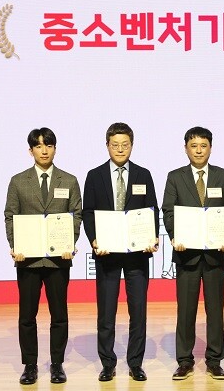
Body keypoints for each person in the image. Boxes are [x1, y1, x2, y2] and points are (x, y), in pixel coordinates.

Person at [82, 123, 159, 382]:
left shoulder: (143, 174)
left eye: (125, 145)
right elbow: (88, 212)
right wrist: (94, 239)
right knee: (106, 312)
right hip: (107, 253)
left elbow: (151, 209)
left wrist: (151, 237)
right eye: (115, 145)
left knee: (138, 311)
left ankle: (135, 363)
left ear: (132, 146)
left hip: (137, 254)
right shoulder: (95, 175)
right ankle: (108, 363)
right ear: (107, 146)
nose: (120, 149)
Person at [4, 128, 81, 385]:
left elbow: (76, 215)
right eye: (38, 146)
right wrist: (15, 245)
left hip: (59, 260)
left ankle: (57, 364)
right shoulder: (18, 181)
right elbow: (10, 216)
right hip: (28, 260)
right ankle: (30, 365)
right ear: (31, 151)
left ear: (55, 148)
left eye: (48, 145)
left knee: (59, 315)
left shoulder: (69, 180)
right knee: (27, 316)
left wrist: (70, 243)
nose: (44, 150)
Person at [161, 126, 224, 381]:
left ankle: (214, 360)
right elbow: (168, 211)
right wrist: (176, 237)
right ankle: (184, 361)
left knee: (215, 311)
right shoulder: (175, 177)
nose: (199, 151)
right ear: (186, 149)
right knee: (186, 311)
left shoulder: (223, 176)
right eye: (194, 146)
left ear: (210, 148)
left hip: (216, 255)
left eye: (203, 146)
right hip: (187, 255)